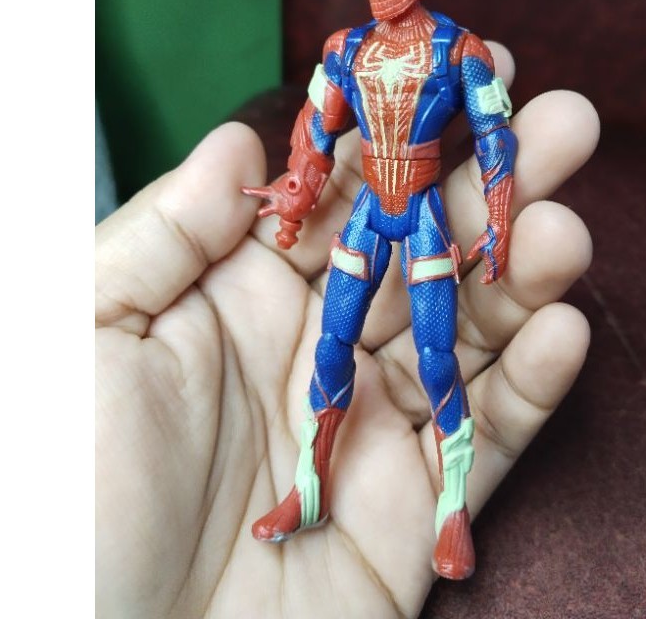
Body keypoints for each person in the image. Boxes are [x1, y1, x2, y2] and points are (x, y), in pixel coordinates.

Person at [95, 48, 599, 616]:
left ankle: (452, 510)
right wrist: (298, 192)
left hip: (425, 213)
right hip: (367, 212)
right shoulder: (346, 50)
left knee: (437, 359)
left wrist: (500, 217)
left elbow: (493, 136)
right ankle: (309, 489)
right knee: (332, 347)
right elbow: (316, 129)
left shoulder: (459, 49)